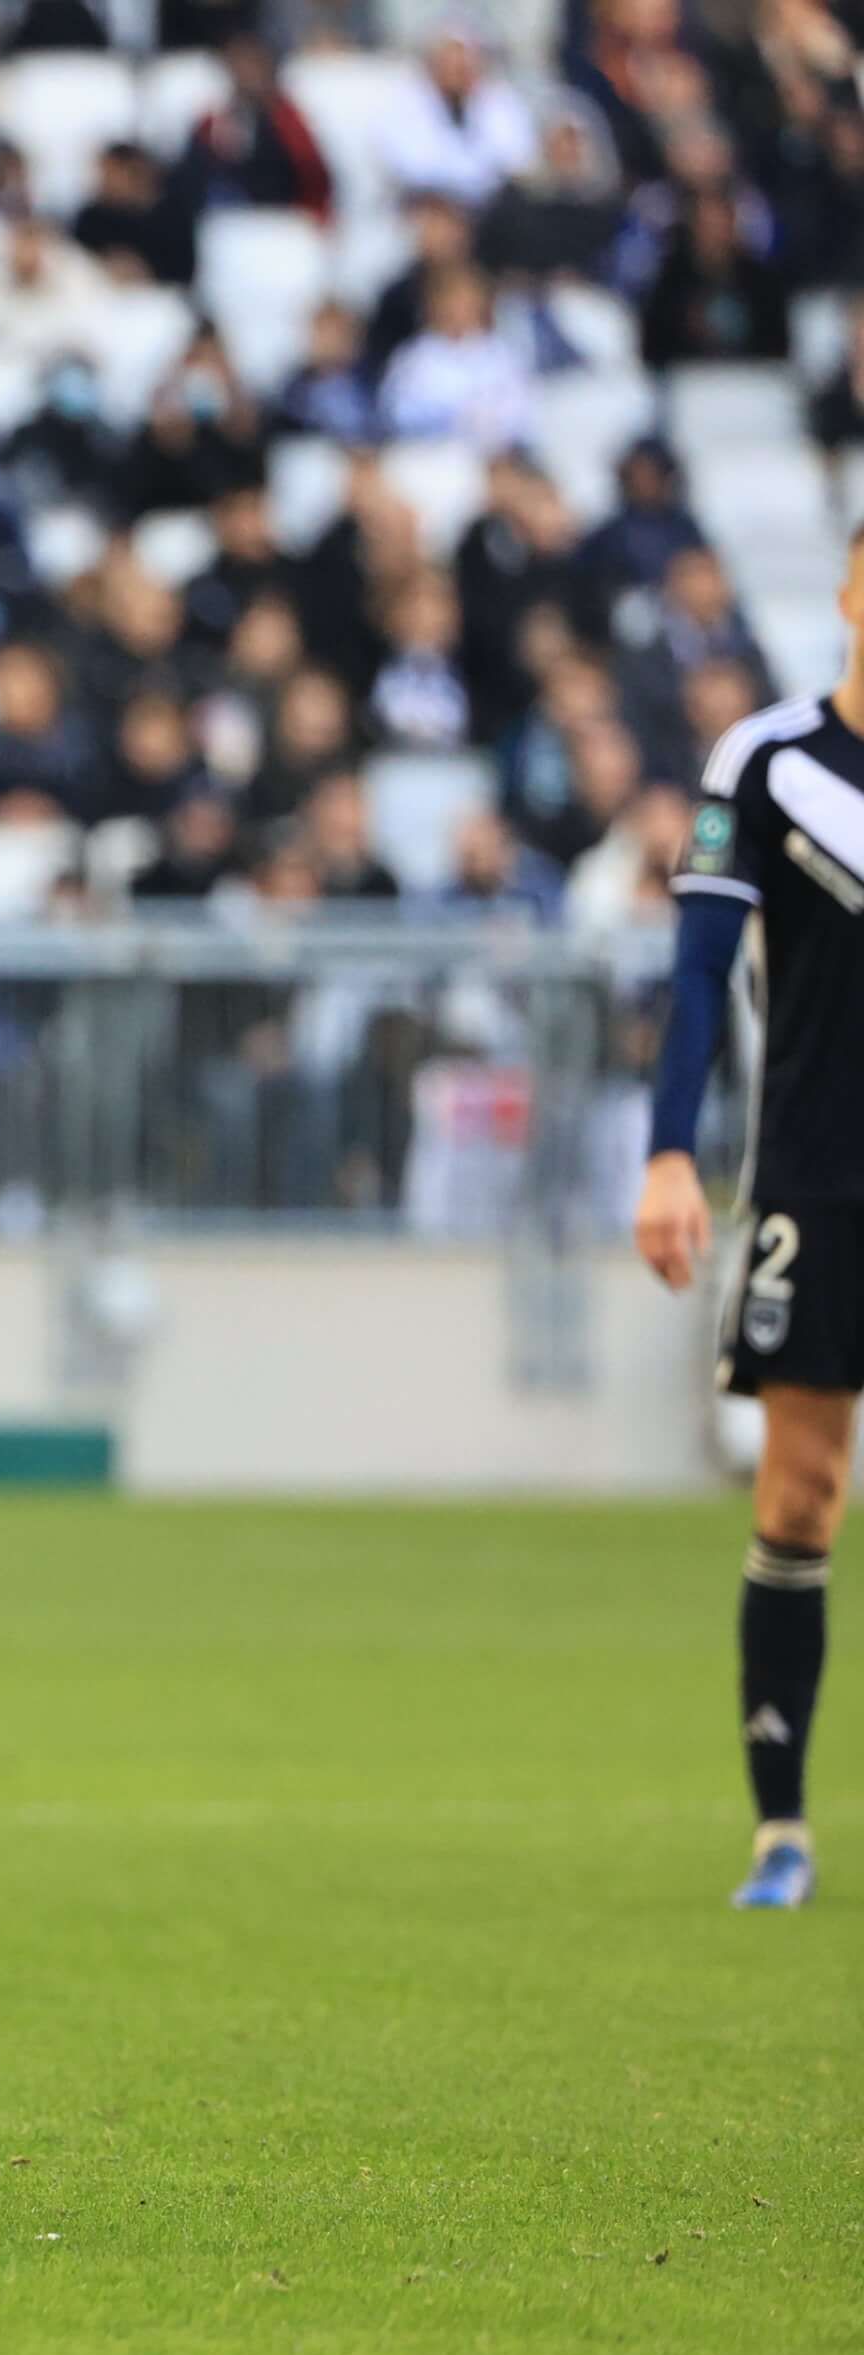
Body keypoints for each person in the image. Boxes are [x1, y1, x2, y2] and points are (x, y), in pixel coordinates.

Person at [632, 525, 864, 1912]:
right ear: (848, 591)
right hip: (816, 1184)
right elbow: (698, 973)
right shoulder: (766, 763)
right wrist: (669, 1152)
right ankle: (781, 1826)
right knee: (799, 1490)